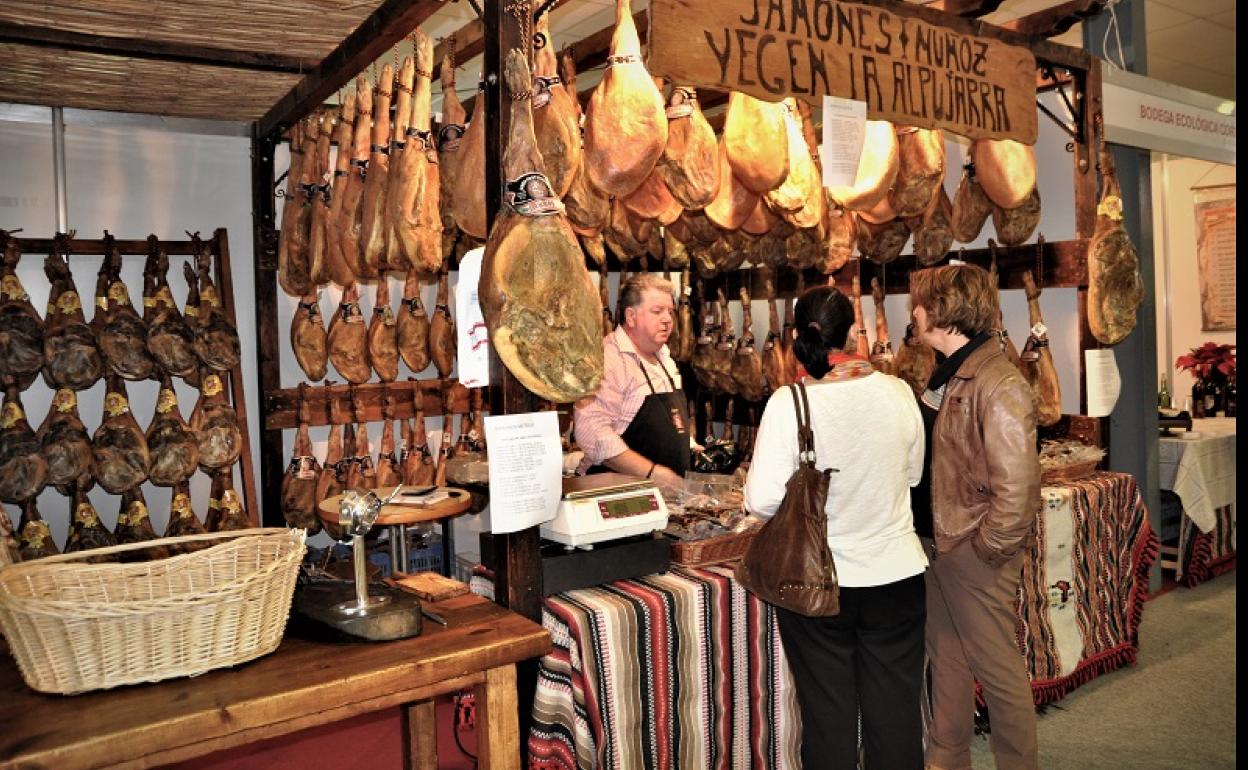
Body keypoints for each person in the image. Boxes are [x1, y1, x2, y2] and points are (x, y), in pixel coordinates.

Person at [742, 284, 928, 770]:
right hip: (897, 574)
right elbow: (912, 476)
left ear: (799, 335)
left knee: (829, 717)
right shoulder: (898, 390)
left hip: (818, 582)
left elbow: (760, 501)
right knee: (896, 714)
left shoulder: (790, 402)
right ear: (853, 332)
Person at [909, 264, 1042, 770]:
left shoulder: (997, 378)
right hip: (941, 545)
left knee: (997, 669)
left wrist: (983, 549)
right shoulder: (948, 371)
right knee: (948, 662)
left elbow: (1018, 488)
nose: (913, 311)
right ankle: (947, 759)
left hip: (970, 549)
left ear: (942, 310)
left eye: (920, 302)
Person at [574, 273, 688, 485]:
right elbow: (592, 433)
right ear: (631, 316)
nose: (667, 319)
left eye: (670, 312)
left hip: (665, 493)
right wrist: (651, 472)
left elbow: (671, 419)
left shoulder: (664, 356)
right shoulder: (608, 359)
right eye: (657, 311)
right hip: (618, 495)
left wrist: (688, 444)